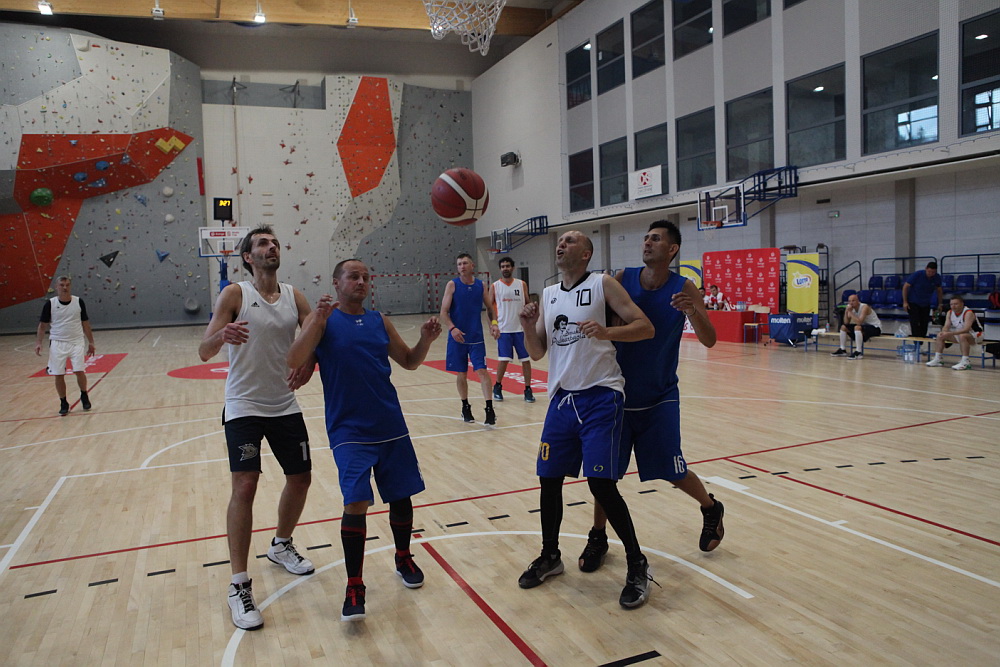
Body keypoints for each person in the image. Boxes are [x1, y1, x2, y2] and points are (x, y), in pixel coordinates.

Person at [287, 259, 441, 622]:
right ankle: (354, 584)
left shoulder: (379, 321)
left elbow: (409, 361)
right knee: (356, 501)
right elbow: (293, 359)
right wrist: (316, 322)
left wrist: (426, 340)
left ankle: (403, 556)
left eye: (366, 277)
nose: (361, 281)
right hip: (348, 430)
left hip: (389, 423)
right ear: (336, 282)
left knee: (400, 496)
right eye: (353, 276)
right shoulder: (323, 321)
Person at [517, 230, 657, 609]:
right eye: (560, 241)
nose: (561, 244)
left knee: (601, 484)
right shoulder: (548, 294)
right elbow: (537, 352)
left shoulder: (602, 284)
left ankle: (637, 564)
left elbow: (645, 326)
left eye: (570, 241)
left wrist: (607, 331)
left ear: (586, 253)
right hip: (562, 399)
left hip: (601, 395)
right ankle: (550, 555)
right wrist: (528, 325)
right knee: (548, 480)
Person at [577, 222, 724, 576]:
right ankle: (598, 535)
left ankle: (710, 507)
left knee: (671, 470)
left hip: (659, 395)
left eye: (655, 239)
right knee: (604, 474)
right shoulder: (622, 278)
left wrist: (692, 312)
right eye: (645, 237)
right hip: (616, 393)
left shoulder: (684, 287)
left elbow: (709, 340)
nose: (647, 242)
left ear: (672, 249)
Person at [198, 225, 317, 631]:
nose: (272, 247)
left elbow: (314, 334)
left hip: (284, 403)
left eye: (275, 243)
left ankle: (281, 545)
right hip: (244, 405)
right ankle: (239, 584)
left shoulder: (294, 296)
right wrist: (222, 334)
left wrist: (311, 360)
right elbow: (204, 350)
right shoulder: (235, 294)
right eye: (263, 244)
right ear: (248, 257)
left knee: (301, 479)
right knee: (245, 485)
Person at [439, 252, 499, 425]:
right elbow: (443, 312)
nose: (462, 266)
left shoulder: (481, 285)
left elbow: (490, 308)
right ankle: (465, 406)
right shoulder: (452, 285)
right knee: (462, 373)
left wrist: (494, 324)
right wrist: (452, 328)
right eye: (459, 264)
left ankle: (489, 409)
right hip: (457, 337)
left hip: (476, 337)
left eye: (465, 263)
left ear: (472, 266)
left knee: (482, 371)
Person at [35, 276, 96, 416]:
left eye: (67, 285)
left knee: (79, 370)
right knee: (58, 374)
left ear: (70, 286)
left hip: (76, 341)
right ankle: (63, 402)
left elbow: (85, 323)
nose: (65, 287)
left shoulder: (78, 302)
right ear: (56, 287)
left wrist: (91, 342)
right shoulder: (50, 304)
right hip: (57, 342)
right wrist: (38, 342)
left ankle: (84, 395)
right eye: (62, 285)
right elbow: (42, 325)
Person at [489, 255, 535, 403]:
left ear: (513, 268)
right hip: (503, 329)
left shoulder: (521, 284)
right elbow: (490, 309)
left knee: (526, 360)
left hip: (520, 329)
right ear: (500, 269)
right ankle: (497, 386)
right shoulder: (495, 286)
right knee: (504, 360)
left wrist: (531, 310)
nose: (505, 268)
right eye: (503, 266)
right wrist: (493, 325)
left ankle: (528, 389)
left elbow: (527, 303)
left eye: (508, 266)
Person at [926, 296, 983, 370]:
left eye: (956, 304)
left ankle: (965, 362)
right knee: (940, 335)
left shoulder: (968, 312)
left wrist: (950, 333)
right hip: (959, 334)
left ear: (962, 304)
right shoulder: (949, 312)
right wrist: (944, 332)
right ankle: (938, 359)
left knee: (963, 336)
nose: (953, 306)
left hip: (976, 335)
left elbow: (966, 329)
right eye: (951, 304)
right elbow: (946, 326)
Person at [830, 293, 882, 360]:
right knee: (843, 327)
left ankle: (858, 351)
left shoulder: (864, 307)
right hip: (864, 326)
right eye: (849, 301)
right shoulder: (850, 308)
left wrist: (851, 313)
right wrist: (846, 311)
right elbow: (846, 322)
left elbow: (859, 322)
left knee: (857, 327)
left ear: (858, 301)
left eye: (853, 301)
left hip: (875, 327)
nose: (851, 303)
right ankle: (842, 349)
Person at [902, 261, 943, 338]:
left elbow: (939, 290)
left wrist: (940, 303)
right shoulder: (917, 274)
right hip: (913, 302)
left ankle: (922, 340)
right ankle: (916, 341)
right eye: (929, 271)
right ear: (926, 269)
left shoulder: (937, 277)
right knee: (915, 322)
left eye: (933, 272)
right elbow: (905, 287)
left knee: (924, 323)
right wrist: (905, 302)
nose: (931, 274)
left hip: (926, 303)